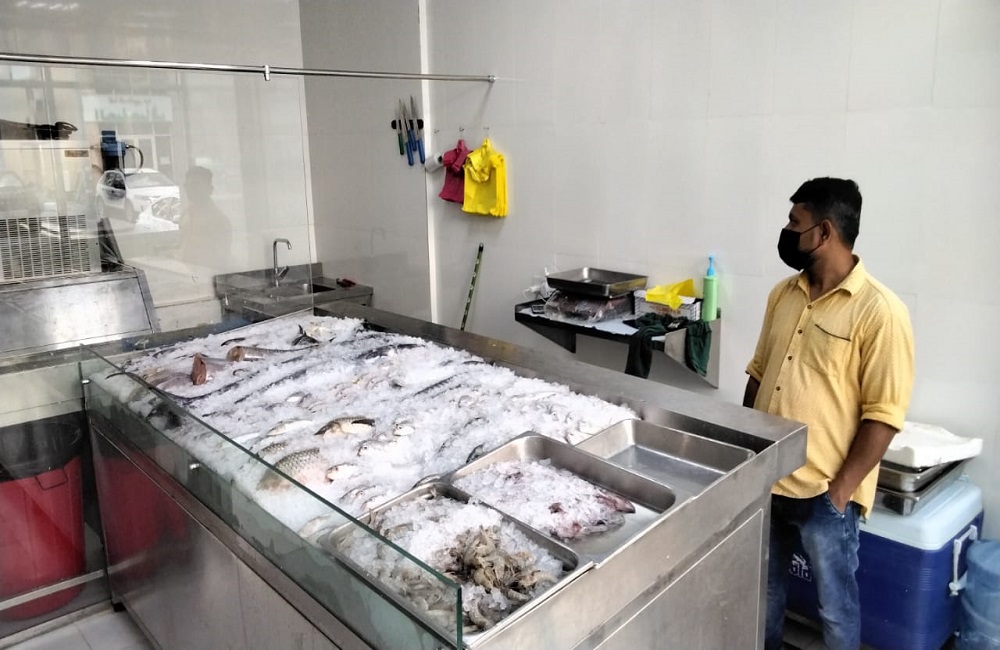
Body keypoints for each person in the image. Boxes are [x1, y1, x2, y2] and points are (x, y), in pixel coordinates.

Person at [744, 177, 914, 650]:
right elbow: (759, 374)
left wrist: (839, 494)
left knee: (836, 610)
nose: (786, 231)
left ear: (823, 232)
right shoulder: (783, 294)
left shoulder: (880, 312)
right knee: (764, 594)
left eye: (793, 223)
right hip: (769, 478)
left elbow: (884, 416)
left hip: (825, 493)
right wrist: (749, 452)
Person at [179, 165, 231, 263]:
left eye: (195, 184)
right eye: (187, 185)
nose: (190, 189)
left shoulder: (218, 220)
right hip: (187, 270)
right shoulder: (185, 215)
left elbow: (222, 257)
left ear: (209, 189)